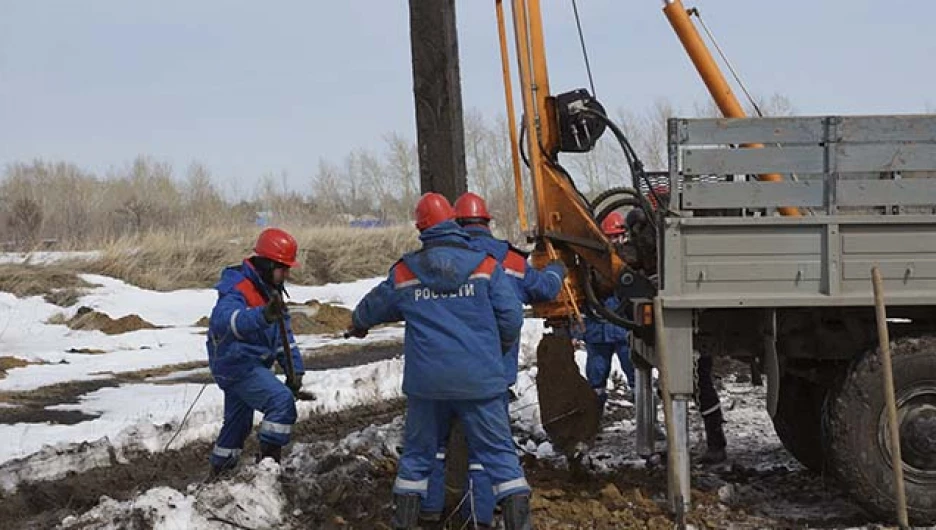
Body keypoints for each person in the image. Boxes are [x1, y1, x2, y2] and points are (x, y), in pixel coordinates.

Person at [348, 193, 532, 530]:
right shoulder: (486, 266)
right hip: (480, 382)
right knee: (501, 459)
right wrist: (496, 349)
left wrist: (357, 323)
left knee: (417, 459)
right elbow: (512, 318)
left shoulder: (406, 271)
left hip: (427, 386)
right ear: (453, 223)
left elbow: (374, 306)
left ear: (422, 230)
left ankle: (410, 522)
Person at [418, 192, 565, 528]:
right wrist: (557, 269)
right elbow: (544, 289)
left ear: (455, 222)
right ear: (486, 221)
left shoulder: (444, 260)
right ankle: (481, 517)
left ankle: (432, 513)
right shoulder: (509, 261)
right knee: (489, 452)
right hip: (491, 377)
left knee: (434, 447)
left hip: (441, 373)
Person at [206, 227, 305, 476]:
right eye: (283, 268)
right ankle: (268, 470)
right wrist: (262, 316)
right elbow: (224, 321)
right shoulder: (237, 286)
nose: (287, 274)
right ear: (267, 264)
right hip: (237, 364)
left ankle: (217, 475)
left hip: (249, 365)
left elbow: (284, 337)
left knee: (238, 425)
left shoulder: (270, 289)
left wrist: (295, 371)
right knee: (281, 402)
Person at [578, 211, 636, 417]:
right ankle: (592, 422)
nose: (614, 241)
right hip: (598, 330)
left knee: (637, 377)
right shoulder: (591, 261)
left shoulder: (630, 259)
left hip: (623, 329)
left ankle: (648, 423)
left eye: (616, 236)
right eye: (610, 237)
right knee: (595, 380)